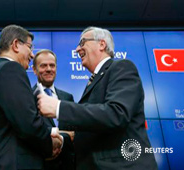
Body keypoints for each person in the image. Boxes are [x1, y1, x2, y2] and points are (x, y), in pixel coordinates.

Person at [37, 27, 158, 170]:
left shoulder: (121, 67)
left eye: (82, 43)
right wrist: (63, 140)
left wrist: (58, 107)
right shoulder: (95, 79)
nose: (77, 49)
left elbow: (116, 114)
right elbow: (93, 127)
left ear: (102, 44)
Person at [0, 25, 62, 170]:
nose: (32, 55)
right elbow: (28, 123)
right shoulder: (11, 69)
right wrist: (50, 145)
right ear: (16, 45)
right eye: (30, 47)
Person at [32, 49, 75, 170]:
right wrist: (62, 134)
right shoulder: (27, 98)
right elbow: (30, 131)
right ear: (34, 70)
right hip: (40, 164)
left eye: (52, 65)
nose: (49, 69)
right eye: (43, 66)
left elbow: (74, 134)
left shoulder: (67, 97)